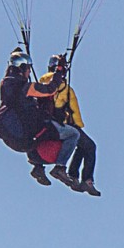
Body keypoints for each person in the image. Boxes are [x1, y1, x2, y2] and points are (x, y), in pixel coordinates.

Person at [0, 48, 81, 187]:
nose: (30, 72)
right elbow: (50, 89)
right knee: (73, 134)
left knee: (39, 133)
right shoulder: (24, 87)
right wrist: (59, 72)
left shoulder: (5, 84)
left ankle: (38, 167)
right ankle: (60, 168)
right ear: (22, 68)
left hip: (25, 132)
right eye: (28, 69)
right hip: (36, 126)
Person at [38, 54, 101, 196]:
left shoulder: (51, 84)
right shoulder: (53, 81)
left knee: (84, 145)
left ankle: (74, 175)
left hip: (58, 124)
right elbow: (73, 110)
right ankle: (85, 179)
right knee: (90, 146)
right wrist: (78, 125)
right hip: (59, 125)